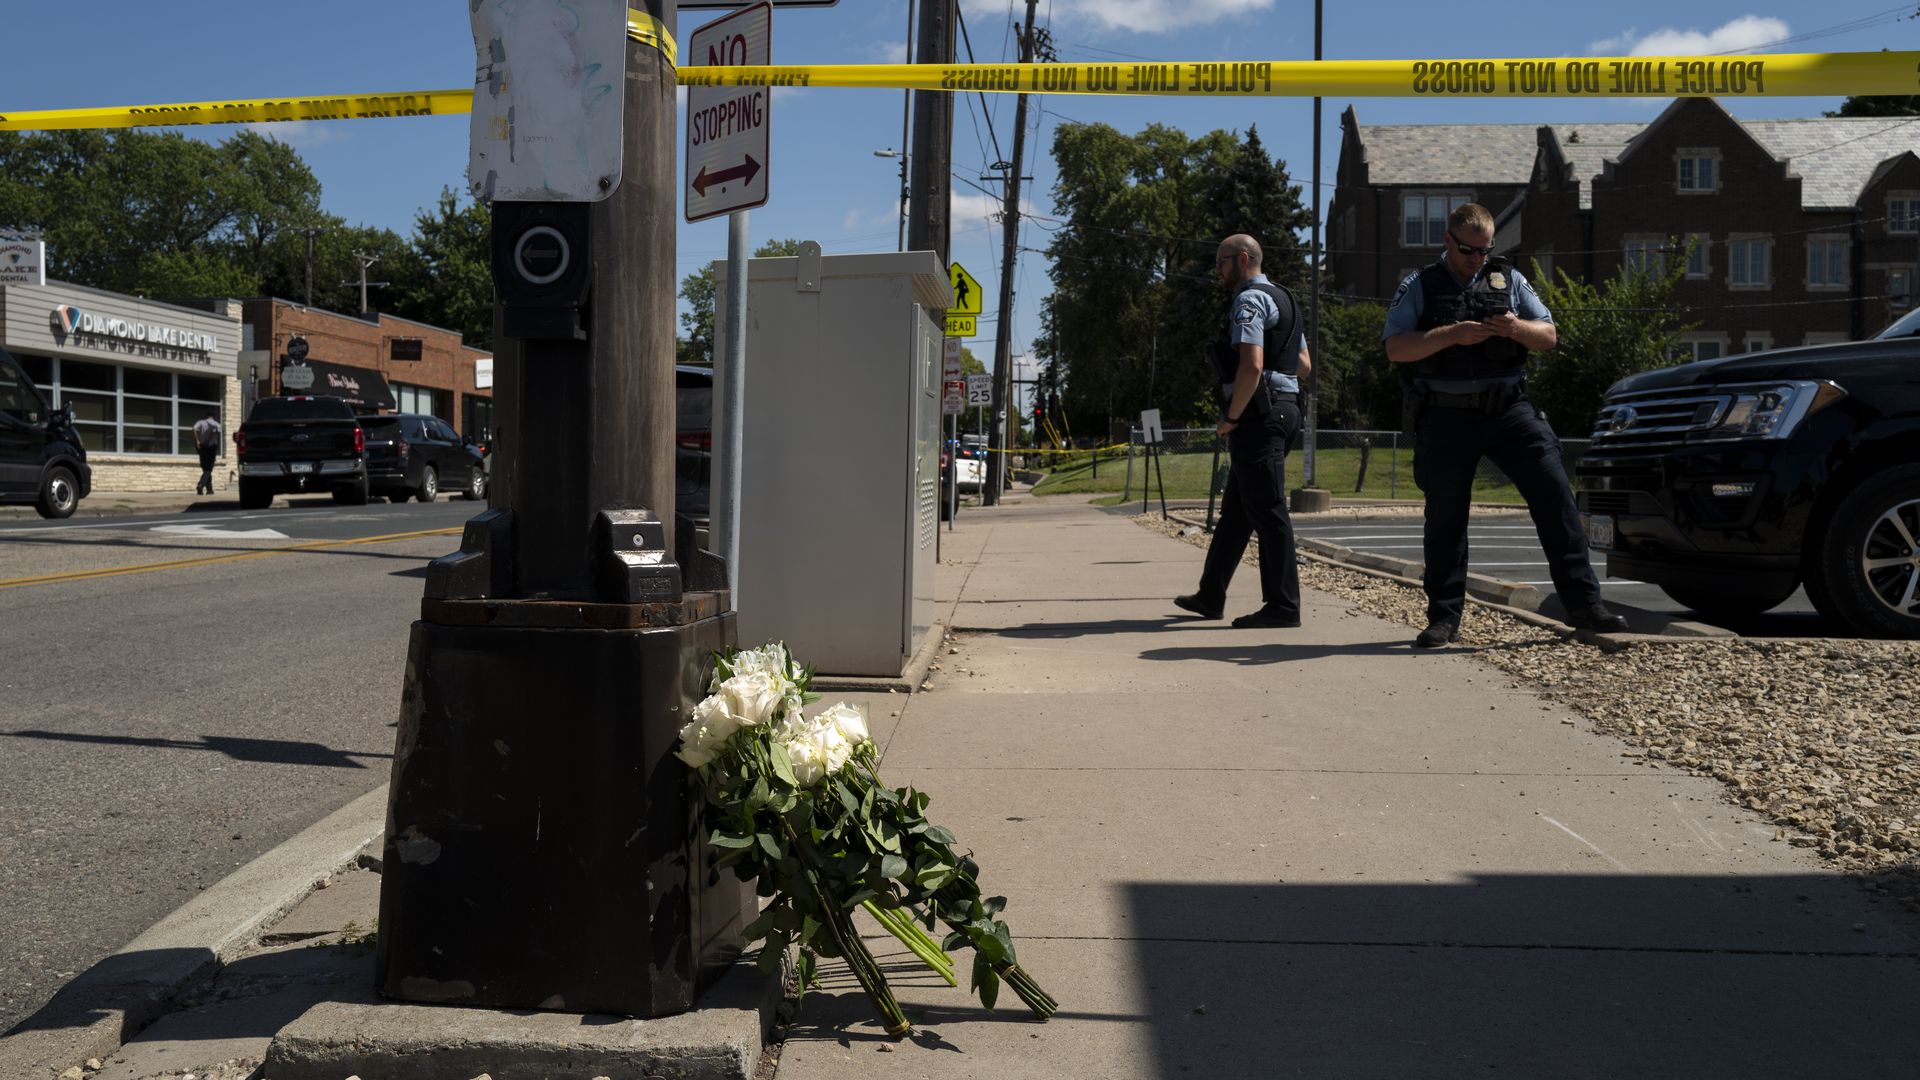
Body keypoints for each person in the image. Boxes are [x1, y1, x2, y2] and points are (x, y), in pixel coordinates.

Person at [1382, 203, 1629, 647]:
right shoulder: (1418, 285)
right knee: (1446, 517)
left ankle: (1585, 605)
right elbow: (1396, 348)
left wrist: (1516, 327)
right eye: (1468, 249)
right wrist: (1450, 334)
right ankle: (1444, 618)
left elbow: (1549, 336)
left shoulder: (1509, 279)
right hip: (1446, 411)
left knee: (1555, 496)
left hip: (1510, 408)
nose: (1477, 258)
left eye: (1485, 249)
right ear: (1447, 240)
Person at [1175, 234, 1311, 630]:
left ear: (1244, 259)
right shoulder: (1286, 299)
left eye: (1222, 261)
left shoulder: (1248, 301)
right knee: (1237, 509)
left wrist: (1231, 417)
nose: (1217, 269)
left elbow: (1250, 367)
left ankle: (1283, 606)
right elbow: (1303, 364)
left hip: (1259, 416)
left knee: (1268, 509)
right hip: (1285, 411)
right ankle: (1210, 594)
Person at [192, 413, 222, 496]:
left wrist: (197, 440)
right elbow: (216, 432)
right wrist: (208, 440)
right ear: (213, 417)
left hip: (202, 447)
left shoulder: (200, 422)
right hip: (211, 448)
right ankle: (201, 484)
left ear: (206, 417)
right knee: (209, 469)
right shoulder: (216, 424)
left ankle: (209, 489)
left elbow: (194, 429)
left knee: (205, 468)